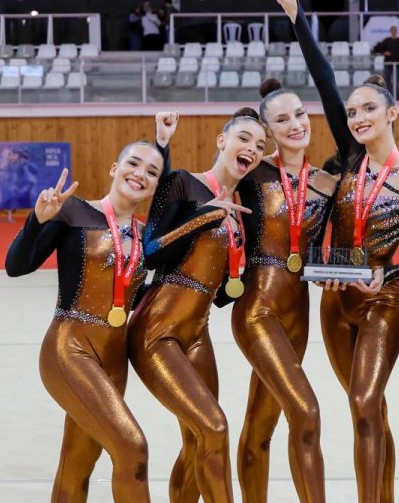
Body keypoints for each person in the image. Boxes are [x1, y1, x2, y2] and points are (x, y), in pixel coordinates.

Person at [3, 113, 233, 503]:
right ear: (114, 168)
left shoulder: (147, 238)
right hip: (70, 348)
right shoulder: (74, 212)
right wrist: (36, 221)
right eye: (133, 164)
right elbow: (16, 265)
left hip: (113, 360)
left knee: (78, 462)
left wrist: (209, 213)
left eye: (152, 171)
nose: (140, 174)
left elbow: (176, 252)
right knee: (132, 448)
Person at [276, 0, 399, 503]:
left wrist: (387, 274)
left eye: (369, 108)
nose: (358, 117)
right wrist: (299, 19)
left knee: (369, 399)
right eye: (351, 112)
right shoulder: (346, 160)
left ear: (393, 113)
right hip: (333, 299)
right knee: (362, 408)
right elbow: (324, 84)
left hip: (380, 299)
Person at [127, 109, 263, 503]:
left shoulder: (240, 215)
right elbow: (149, 252)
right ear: (222, 141)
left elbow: (219, 295)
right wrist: (203, 218)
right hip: (158, 329)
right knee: (215, 427)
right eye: (244, 138)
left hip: (197, 332)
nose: (251, 149)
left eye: (259, 146)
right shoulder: (182, 183)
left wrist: (238, 282)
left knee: (197, 440)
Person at [232, 78, 338, 503]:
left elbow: (325, 248)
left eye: (300, 114)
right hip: (258, 308)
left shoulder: (326, 184)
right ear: (268, 129)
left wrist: (342, 271)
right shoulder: (253, 173)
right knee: (306, 411)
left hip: (299, 312)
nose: (295, 124)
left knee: (261, 422)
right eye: (282, 119)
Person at [372, 26, 399, 95]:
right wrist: (384, 52)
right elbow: (379, 49)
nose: (394, 32)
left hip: (397, 64)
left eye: (395, 30)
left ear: (397, 31)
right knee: (387, 80)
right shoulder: (387, 40)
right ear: (391, 31)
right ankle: (388, 95)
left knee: (396, 80)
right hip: (388, 63)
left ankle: (397, 95)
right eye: (393, 30)